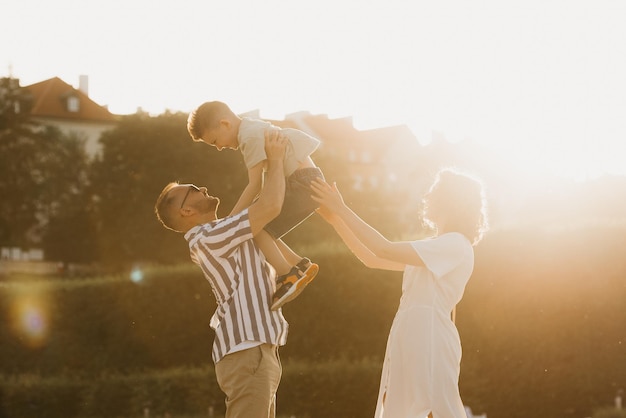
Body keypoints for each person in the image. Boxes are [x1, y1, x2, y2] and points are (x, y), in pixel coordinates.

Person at [310, 168, 489, 418]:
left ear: (450, 201)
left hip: (429, 336)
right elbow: (371, 258)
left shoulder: (456, 244)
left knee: (432, 409)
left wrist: (341, 209)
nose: (428, 196)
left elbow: (383, 248)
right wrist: (335, 220)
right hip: (412, 332)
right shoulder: (434, 246)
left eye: (435, 191)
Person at [154, 131, 289, 418]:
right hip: (247, 348)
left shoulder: (222, 231)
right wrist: (275, 160)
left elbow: (253, 200)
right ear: (187, 210)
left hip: (258, 348)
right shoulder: (206, 238)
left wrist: (260, 174)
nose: (201, 187)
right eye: (192, 189)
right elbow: (270, 206)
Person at [187, 101, 324, 310]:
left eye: (215, 141)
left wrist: (230, 222)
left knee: (253, 224)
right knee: (259, 221)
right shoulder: (251, 127)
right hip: (307, 180)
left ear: (225, 124)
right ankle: (299, 264)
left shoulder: (248, 137)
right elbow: (262, 190)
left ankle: (287, 274)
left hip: (302, 183)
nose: (219, 147)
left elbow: (254, 185)